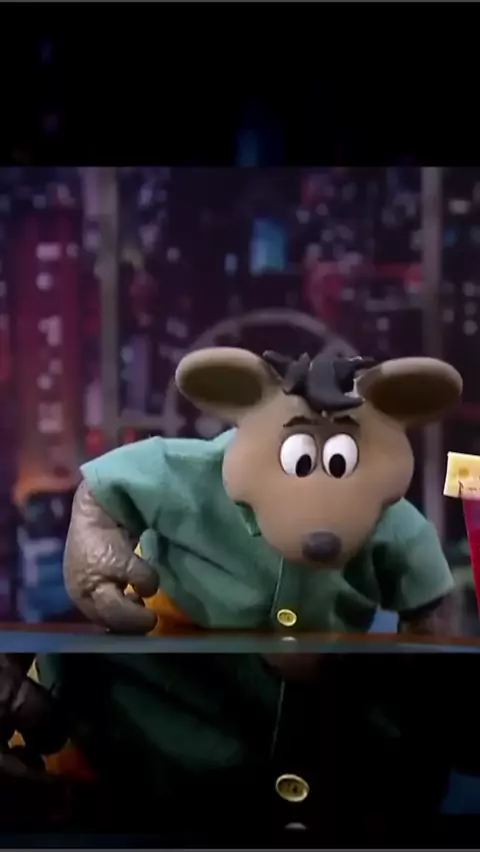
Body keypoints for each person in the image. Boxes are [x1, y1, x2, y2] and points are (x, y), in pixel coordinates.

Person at [0, 348, 467, 843]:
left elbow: (427, 609)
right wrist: (99, 562)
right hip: (172, 667)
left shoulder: (395, 524)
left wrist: (423, 678)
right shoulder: (192, 470)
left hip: (314, 702)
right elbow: (103, 490)